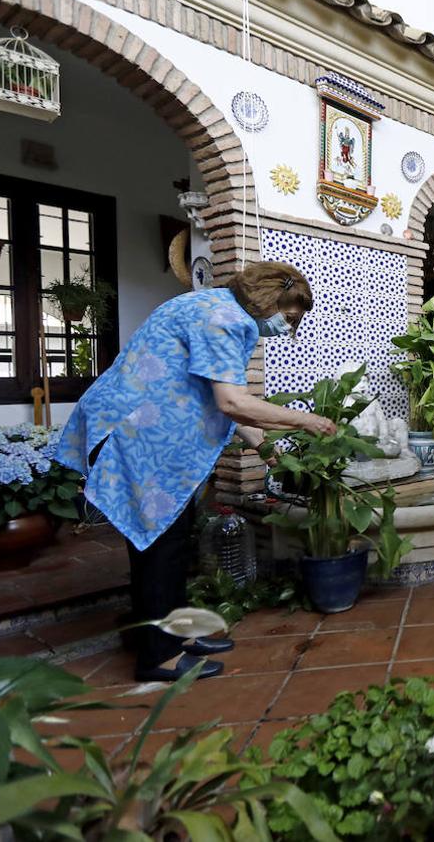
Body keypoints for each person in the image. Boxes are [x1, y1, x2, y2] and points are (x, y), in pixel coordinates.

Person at [54, 262, 337, 682]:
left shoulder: (214, 307)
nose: (286, 325)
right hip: (138, 433)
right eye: (289, 315)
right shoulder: (224, 319)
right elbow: (232, 402)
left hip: (150, 431)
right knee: (159, 545)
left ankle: (173, 634)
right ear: (269, 298)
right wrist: (306, 421)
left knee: (173, 536)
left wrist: (264, 446)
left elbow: (216, 393)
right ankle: (157, 656)